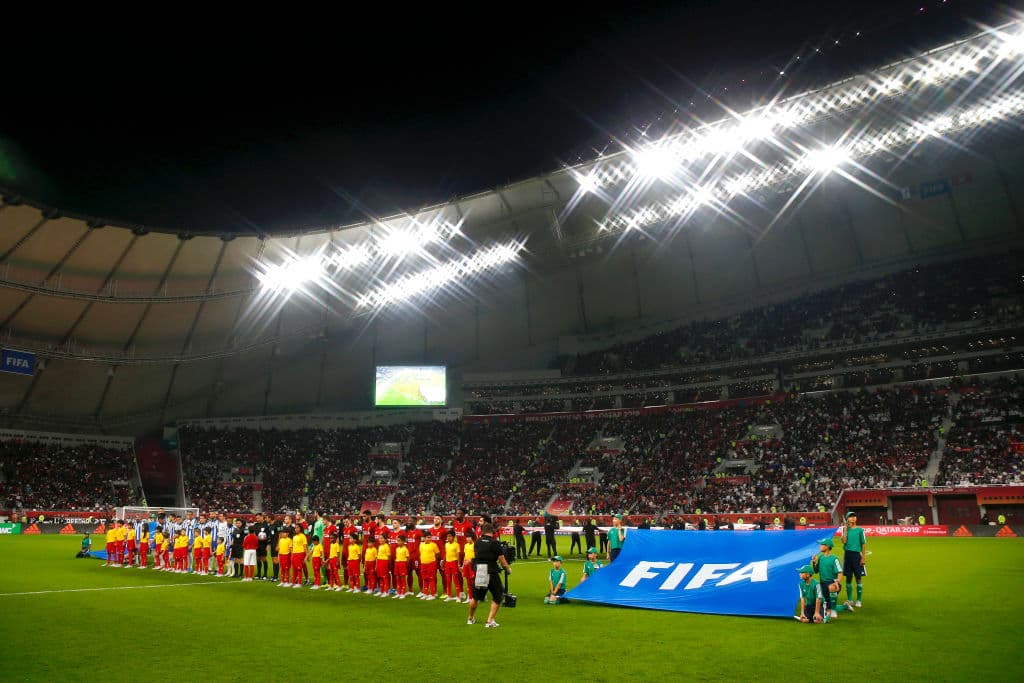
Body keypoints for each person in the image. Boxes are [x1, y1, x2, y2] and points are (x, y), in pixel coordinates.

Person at [466, 523, 512, 628]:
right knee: (498, 595)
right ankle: (490, 620)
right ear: (493, 532)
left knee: (475, 597)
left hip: (479, 570)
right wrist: (508, 569)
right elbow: (502, 560)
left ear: (483, 531)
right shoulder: (495, 543)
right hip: (491, 571)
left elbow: (476, 555)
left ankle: (470, 618)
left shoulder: (477, 542)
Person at [812, 537, 852, 619]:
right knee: (823, 605)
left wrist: (837, 583)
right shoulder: (820, 558)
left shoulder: (834, 558)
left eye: (822, 544)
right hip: (822, 584)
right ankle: (845, 606)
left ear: (827, 546)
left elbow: (840, 573)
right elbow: (816, 571)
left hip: (832, 583)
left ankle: (832, 610)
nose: (820, 546)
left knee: (831, 589)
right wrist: (814, 562)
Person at [841, 511, 866, 607]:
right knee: (848, 578)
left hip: (857, 555)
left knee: (858, 578)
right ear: (847, 519)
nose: (853, 518)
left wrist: (863, 557)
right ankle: (850, 599)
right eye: (850, 517)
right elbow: (844, 541)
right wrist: (846, 530)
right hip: (847, 555)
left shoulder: (860, 530)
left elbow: (863, 544)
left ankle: (859, 600)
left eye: (854, 516)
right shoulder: (845, 529)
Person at [418, 529, 438, 600]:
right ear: (424, 538)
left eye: (430, 537)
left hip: (431, 564)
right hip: (423, 564)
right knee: (425, 579)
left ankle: (433, 594)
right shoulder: (421, 545)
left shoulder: (434, 545)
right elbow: (421, 553)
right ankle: (426, 594)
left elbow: (437, 554)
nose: (429, 539)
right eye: (428, 537)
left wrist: (433, 561)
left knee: (431, 579)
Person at [443, 531, 462, 602]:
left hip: (454, 563)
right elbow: (446, 553)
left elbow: (458, 555)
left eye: (450, 536)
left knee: (455, 580)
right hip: (447, 563)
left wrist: (459, 564)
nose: (448, 538)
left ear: (453, 537)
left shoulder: (456, 545)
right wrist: (443, 561)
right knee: (448, 580)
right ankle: (449, 595)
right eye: (447, 536)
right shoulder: (446, 544)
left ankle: (458, 596)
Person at [461, 531, 476, 604]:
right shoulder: (466, 545)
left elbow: (476, 556)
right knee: (468, 581)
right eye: (466, 537)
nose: (467, 539)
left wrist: (470, 561)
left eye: (468, 537)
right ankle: (469, 597)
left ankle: (475, 597)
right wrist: (462, 566)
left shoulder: (475, 545)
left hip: (472, 564)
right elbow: (465, 555)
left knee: (473, 581)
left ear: (472, 538)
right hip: (466, 564)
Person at [290, 525, 308, 589]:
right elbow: (293, 546)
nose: (296, 529)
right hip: (294, 554)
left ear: (300, 528)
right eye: (295, 528)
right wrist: (292, 555)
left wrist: (306, 555)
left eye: (297, 528)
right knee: (294, 569)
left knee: (299, 568)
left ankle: (299, 583)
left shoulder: (303, 536)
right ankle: (293, 582)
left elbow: (305, 546)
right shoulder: (294, 536)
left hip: (300, 553)